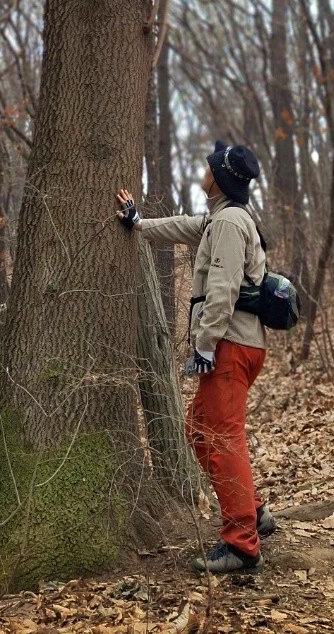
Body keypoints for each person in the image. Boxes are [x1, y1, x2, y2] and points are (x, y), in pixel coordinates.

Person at [116, 140, 277, 575]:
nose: (202, 172)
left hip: (229, 345)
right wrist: (138, 223)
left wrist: (205, 345)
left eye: (208, 168)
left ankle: (242, 543)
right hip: (236, 343)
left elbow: (222, 292)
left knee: (222, 437)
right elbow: (183, 226)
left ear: (221, 178)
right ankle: (254, 512)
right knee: (200, 430)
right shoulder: (219, 219)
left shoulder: (227, 224)